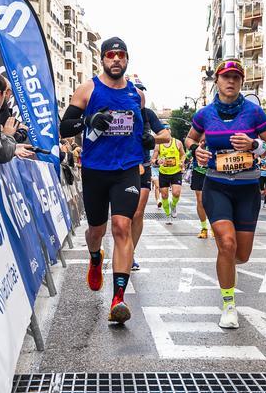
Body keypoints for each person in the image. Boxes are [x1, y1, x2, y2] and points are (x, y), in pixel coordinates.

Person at [59, 37, 149, 325]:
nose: (116, 60)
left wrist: (147, 139)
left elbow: (143, 129)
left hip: (126, 170)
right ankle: (95, 257)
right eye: (111, 55)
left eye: (121, 55)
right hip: (96, 170)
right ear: (102, 59)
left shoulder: (137, 95)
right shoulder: (88, 89)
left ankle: (118, 299)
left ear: (127, 60)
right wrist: (88, 121)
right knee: (96, 231)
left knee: (122, 226)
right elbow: (64, 127)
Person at [185, 59, 266, 329]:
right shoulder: (205, 114)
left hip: (248, 188)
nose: (231, 81)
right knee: (226, 243)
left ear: (241, 82)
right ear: (217, 80)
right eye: (226, 77)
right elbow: (190, 139)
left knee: (241, 254)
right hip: (217, 185)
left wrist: (255, 144)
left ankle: (226, 264)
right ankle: (228, 305)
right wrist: (196, 151)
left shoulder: (254, 112)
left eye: (236, 77)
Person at [130, 78, 172, 271]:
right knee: (122, 217)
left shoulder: (147, 115)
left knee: (138, 213)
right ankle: (120, 249)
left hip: (143, 167)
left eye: (142, 91)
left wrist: (151, 139)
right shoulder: (117, 112)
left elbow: (166, 136)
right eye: (136, 90)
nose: (140, 94)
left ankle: (129, 254)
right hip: (120, 168)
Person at [154, 137, 186, 224]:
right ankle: (168, 215)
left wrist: (182, 161)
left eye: (168, 129)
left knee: (176, 193)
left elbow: (183, 154)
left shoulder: (178, 142)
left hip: (176, 172)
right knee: (164, 196)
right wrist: (157, 161)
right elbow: (153, 160)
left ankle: (173, 205)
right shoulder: (158, 145)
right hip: (163, 173)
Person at [189, 145, 211, 237]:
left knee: (215, 200)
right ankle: (204, 228)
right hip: (199, 172)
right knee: (200, 200)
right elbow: (187, 154)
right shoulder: (196, 137)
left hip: (214, 171)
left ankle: (215, 226)